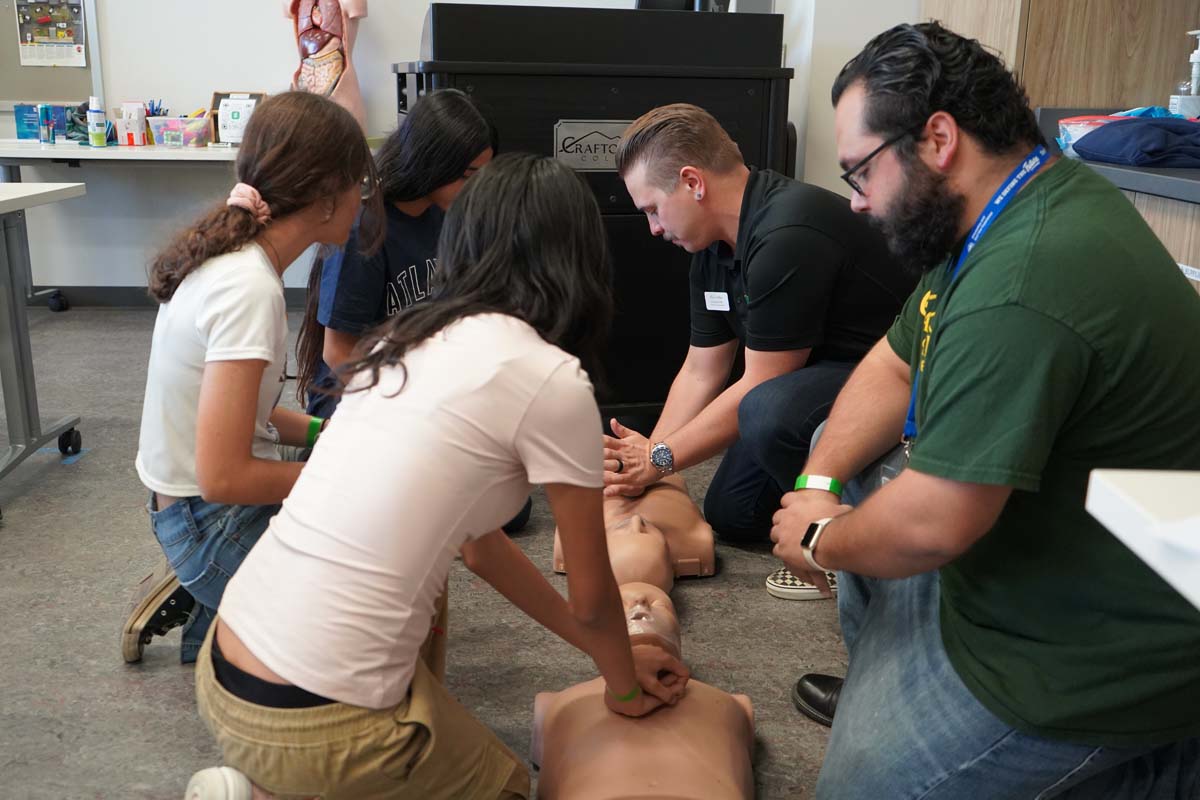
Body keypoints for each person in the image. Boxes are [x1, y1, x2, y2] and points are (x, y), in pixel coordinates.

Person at [769, 22, 1200, 798]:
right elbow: (896, 360)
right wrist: (825, 484)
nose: (860, 205)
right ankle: (892, 688)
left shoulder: (1023, 280)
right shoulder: (1010, 211)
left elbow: (936, 522)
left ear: (937, 139)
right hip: (1059, 540)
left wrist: (820, 536)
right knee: (866, 471)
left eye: (861, 173)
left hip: (1100, 642)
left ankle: (1149, 763)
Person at [184, 153, 690, 800]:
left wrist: (602, 656)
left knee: (426, 579)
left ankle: (270, 782)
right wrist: (622, 685)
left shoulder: (407, 339)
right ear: (582, 259)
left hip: (227, 665)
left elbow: (479, 546)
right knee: (508, 788)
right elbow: (593, 599)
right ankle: (284, 785)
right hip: (307, 719)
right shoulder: (552, 380)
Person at [601, 103, 914, 601]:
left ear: (692, 182)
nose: (653, 229)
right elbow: (702, 368)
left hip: (892, 374)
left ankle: (844, 540)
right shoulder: (708, 246)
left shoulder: (787, 232)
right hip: (811, 378)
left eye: (653, 209)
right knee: (734, 515)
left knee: (764, 410)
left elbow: (760, 383)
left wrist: (659, 458)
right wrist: (647, 465)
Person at [121, 91, 380, 666]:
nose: (362, 202)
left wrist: (325, 435)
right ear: (322, 197)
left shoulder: (235, 262)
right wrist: (340, 476)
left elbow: (244, 419)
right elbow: (223, 475)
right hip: (207, 520)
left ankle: (216, 617)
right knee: (373, 620)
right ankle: (212, 586)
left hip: (188, 504)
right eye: (357, 186)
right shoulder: (249, 289)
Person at [532, 583, 755, 800]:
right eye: (619, 605)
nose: (639, 604)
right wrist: (619, 666)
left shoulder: (732, 705)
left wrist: (618, 663)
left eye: (660, 606)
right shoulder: (732, 704)